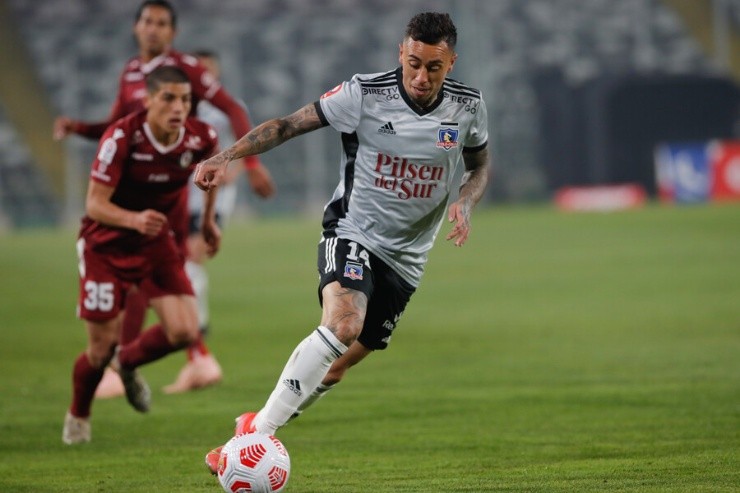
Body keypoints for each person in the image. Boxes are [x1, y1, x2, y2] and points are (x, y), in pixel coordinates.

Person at [195, 12, 490, 473]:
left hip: (408, 259)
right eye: (413, 63)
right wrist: (227, 155)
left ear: (451, 62)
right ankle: (256, 439)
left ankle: (252, 425)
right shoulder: (364, 94)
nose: (421, 77)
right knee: (344, 323)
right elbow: (288, 125)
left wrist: (466, 201)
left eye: (434, 67)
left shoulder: (467, 107)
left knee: (334, 367)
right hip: (353, 230)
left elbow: (479, 166)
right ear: (401, 53)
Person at [52, 0, 275, 397]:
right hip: (136, 195)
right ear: (136, 27)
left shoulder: (184, 68)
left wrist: (252, 164)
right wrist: (78, 127)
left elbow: (231, 107)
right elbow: (115, 125)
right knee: (154, 279)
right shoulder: (131, 72)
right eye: (147, 21)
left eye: (161, 23)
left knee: (161, 275)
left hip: (172, 191)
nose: (153, 29)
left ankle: (135, 363)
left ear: (173, 32)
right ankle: (180, 358)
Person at [62, 66, 221, 444]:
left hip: (154, 244)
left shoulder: (201, 137)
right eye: (168, 98)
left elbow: (210, 172)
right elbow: (94, 204)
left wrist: (207, 222)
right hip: (105, 246)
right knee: (100, 349)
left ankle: (126, 362)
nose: (178, 107)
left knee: (184, 331)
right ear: (147, 100)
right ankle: (79, 414)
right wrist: (134, 219)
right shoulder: (121, 138)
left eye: (185, 99)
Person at [162, 50, 245, 393]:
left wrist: (235, 170)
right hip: (183, 195)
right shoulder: (180, 109)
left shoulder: (228, 108)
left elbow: (244, 143)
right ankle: (197, 342)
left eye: (209, 71)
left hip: (214, 197)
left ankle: (199, 339)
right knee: (183, 262)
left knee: (191, 260)